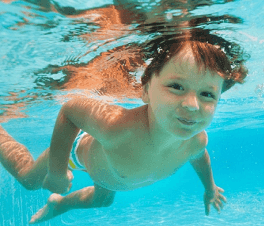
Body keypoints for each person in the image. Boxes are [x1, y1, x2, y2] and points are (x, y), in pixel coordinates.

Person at [0, 33, 247, 224]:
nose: (192, 105)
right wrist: (56, 172)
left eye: (207, 94)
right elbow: (70, 110)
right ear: (146, 90)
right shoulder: (116, 128)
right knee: (30, 180)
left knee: (103, 201)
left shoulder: (196, 140)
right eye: (176, 86)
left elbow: (200, 158)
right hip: (80, 153)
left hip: (111, 172)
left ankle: (60, 204)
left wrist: (210, 188)